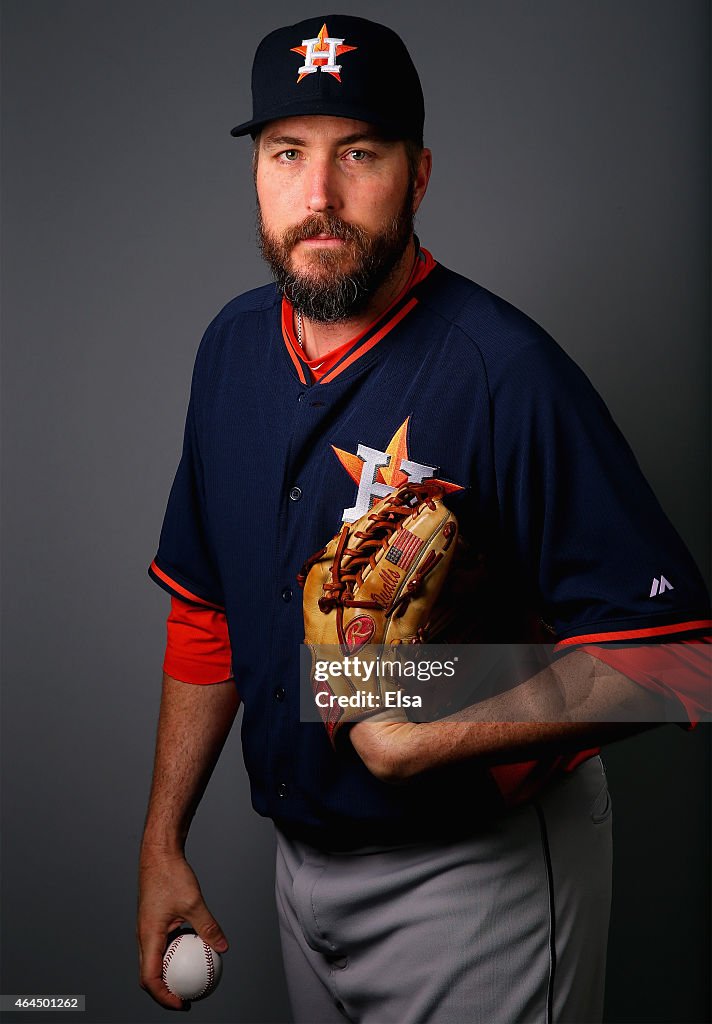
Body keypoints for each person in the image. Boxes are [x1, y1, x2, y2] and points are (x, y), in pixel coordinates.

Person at [137, 15, 711, 1023]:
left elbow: (675, 655)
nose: (318, 196)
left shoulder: (505, 371)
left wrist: (429, 729)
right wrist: (162, 841)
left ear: (417, 172)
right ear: (258, 174)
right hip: (297, 870)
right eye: (287, 154)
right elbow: (207, 611)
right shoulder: (228, 350)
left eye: (357, 153)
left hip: (476, 879)